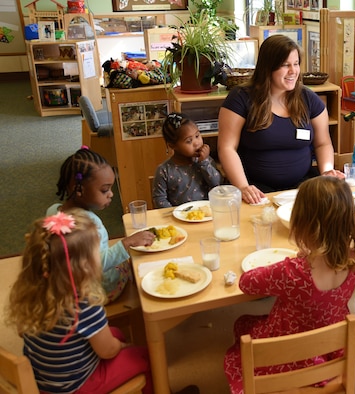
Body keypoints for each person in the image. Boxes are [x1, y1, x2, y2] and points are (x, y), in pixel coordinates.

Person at [223, 176, 355, 393]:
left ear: (303, 224)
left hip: (285, 353)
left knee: (243, 327)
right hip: (330, 349)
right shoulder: (354, 262)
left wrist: (295, 261)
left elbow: (246, 284)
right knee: (247, 324)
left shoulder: (293, 272)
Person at [5, 209, 153, 393]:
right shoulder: (84, 303)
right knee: (146, 356)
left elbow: (23, 333)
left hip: (44, 380)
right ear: (84, 267)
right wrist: (124, 347)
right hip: (78, 386)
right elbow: (108, 351)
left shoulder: (31, 293)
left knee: (116, 333)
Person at [217, 34, 343, 205]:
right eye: (285, 65)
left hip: (302, 187)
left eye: (296, 64)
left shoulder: (308, 98)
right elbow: (226, 147)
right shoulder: (240, 98)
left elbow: (323, 143)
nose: (293, 71)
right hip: (257, 190)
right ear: (268, 68)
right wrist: (243, 187)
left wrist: (327, 170)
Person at [47, 147, 155, 302]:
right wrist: (127, 243)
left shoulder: (53, 210)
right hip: (97, 290)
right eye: (105, 190)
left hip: (67, 281)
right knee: (135, 263)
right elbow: (96, 264)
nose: (111, 194)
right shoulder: (89, 224)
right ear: (79, 189)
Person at [152, 112, 222, 208]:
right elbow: (159, 199)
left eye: (197, 136)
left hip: (206, 214)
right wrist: (174, 213)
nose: (197, 143)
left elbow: (217, 184)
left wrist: (204, 162)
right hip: (179, 218)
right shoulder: (164, 170)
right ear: (172, 146)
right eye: (189, 141)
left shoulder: (205, 160)